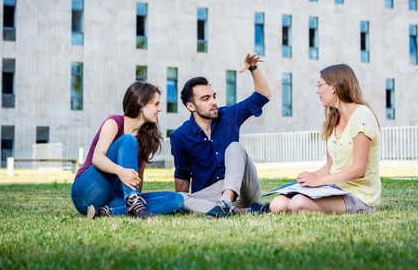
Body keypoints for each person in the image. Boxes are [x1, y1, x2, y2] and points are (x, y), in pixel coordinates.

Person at [170, 53, 272, 218]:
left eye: (214, 96)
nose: (214, 102)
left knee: (234, 147)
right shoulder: (180, 136)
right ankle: (241, 210)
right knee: (177, 198)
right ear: (191, 106)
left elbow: (263, 96)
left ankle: (226, 203)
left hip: (243, 190)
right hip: (210, 197)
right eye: (206, 99)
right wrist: (184, 204)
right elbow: (182, 176)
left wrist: (253, 68)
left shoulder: (230, 115)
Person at [269, 64, 381, 214]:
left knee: (298, 203)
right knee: (277, 204)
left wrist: (318, 181)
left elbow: (359, 170)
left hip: (359, 195)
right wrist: (310, 178)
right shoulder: (333, 118)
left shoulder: (362, 116)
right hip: (335, 188)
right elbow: (330, 165)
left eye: (319, 85)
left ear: (333, 88)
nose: (317, 91)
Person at [71, 82, 184, 219]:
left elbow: (138, 177)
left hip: (116, 195)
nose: (159, 109)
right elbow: (98, 158)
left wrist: (136, 199)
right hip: (87, 191)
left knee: (176, 199)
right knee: (128, 140)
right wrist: (120, 171)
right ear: (142, 104)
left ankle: (108, 211)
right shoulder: (114, 122)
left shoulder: (146, 139)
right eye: (156, 104)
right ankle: (132, 205)